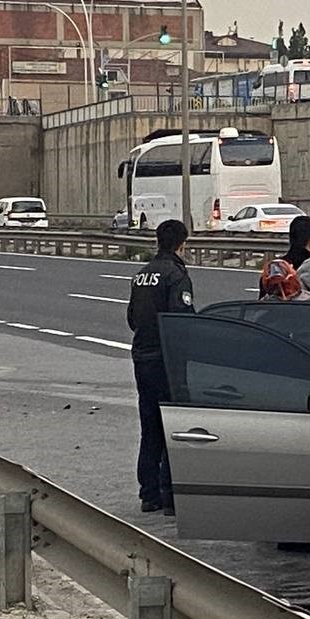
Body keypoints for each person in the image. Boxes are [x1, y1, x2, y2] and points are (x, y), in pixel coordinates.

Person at [126, 220, 194, 516]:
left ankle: (148, 493)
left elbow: (132, 318)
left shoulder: (142, 275)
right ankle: (170, 496)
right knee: (171, 425)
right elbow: (181, 320)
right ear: (182, 244)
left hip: (142, 357)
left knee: (149, 425)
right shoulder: (176, 276)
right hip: (166, 360)